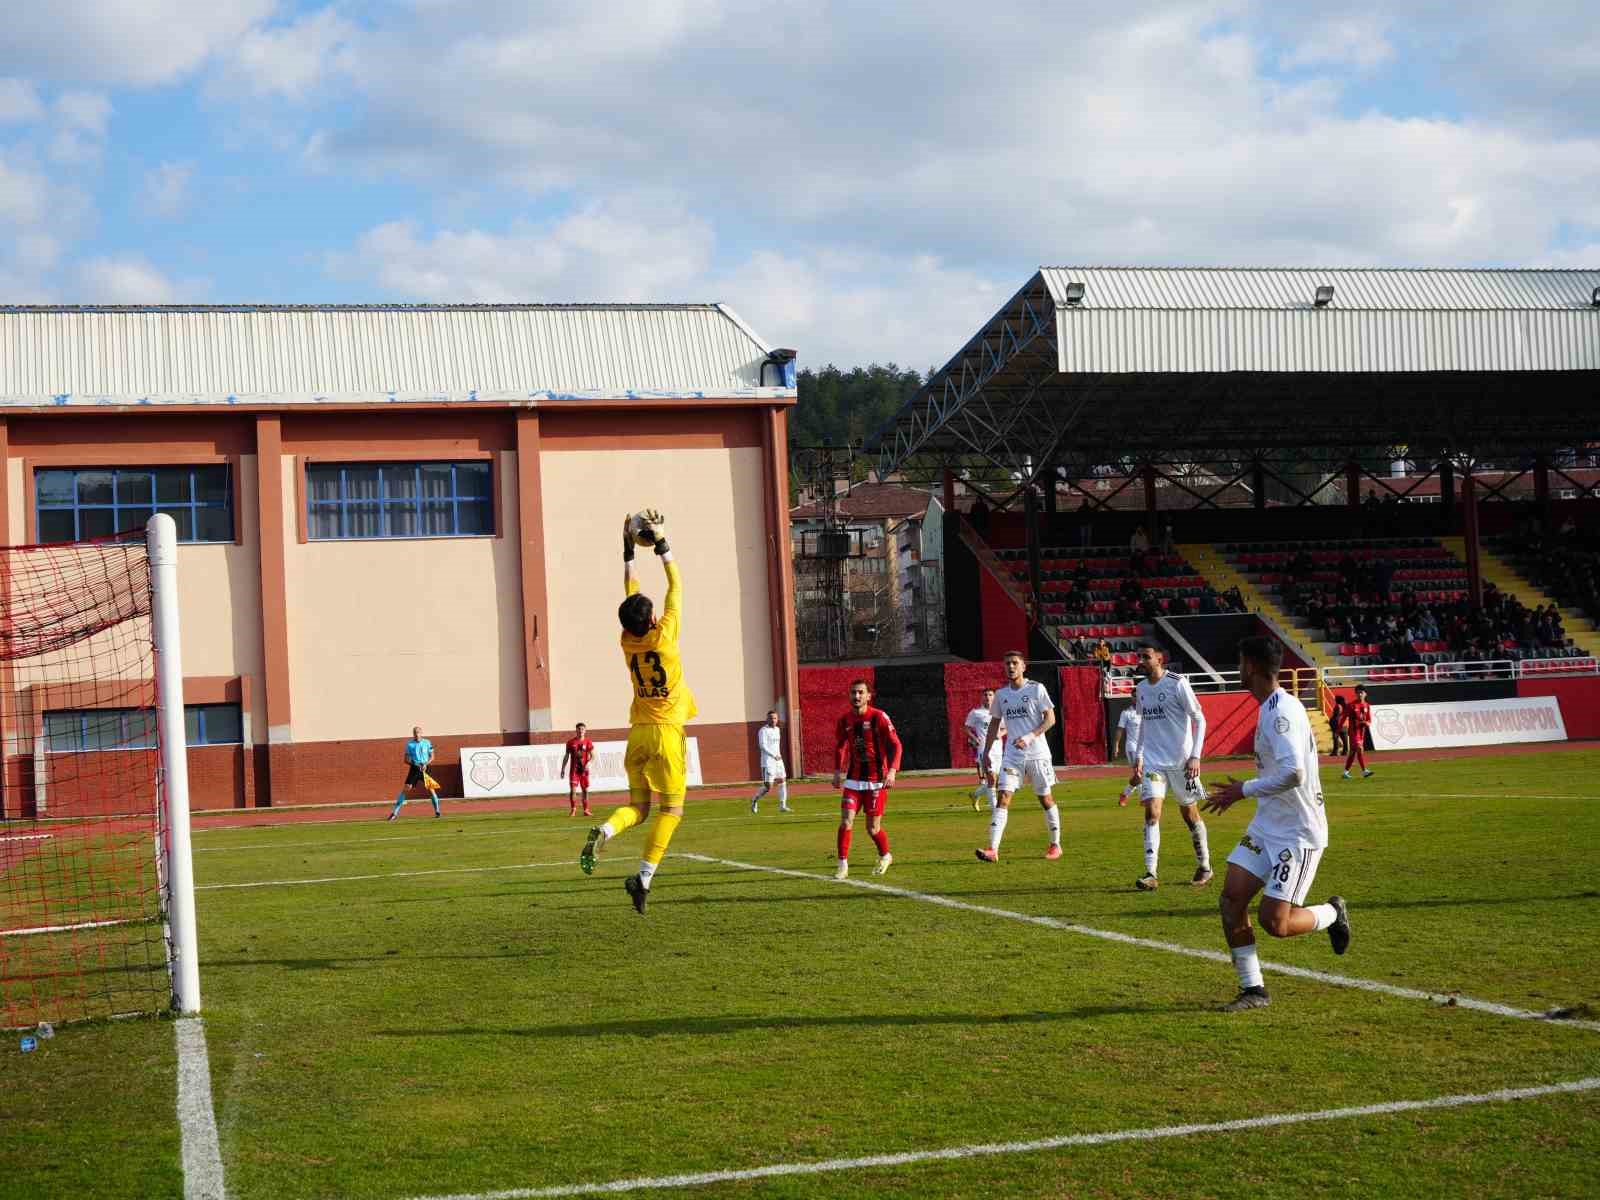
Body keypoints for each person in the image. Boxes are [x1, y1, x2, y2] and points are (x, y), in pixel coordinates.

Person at [1203, 636, 1350, 1011]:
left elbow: (1294, 773)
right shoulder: (1270, 707)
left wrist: (1242, 790)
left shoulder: (1282, 713)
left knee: (1276, 924)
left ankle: (1332, 912)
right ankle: (1253, 990)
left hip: (1296, 833)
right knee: (1231, 900)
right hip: (1267, 826)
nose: (1238, 669)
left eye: (1239, 662)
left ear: (1250, 666)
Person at [579, 512, 696, 915]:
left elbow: (631, 594)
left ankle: (607, 829)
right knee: (672, 811)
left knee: (638, 808)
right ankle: (643, 876)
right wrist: (662, 543)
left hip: (638, 734)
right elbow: (676, 585)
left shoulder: (626, 642)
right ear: (651, 619)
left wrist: (629, 548)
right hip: (665, 734)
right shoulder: (665, 635)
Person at [1129, 645, 1212, 889]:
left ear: (1159, 659)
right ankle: (1151, 872)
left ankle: (1205, 865)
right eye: (1139, 657)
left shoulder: (1177, 683)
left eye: (1146, 657)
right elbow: (1143, 723)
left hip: (1181, 762)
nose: (1141, 661)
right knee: (1152, 811)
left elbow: (1199, 718)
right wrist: (1140, 756)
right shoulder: (1142, 688)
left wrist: (1195, 756)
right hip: (1154, 762)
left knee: (1190, 814)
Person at [976, 651, 1062, 862]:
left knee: (1045, 798)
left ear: (1024, 666)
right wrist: (986, 752)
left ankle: (1055, 844)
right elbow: (995, 724)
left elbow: (1051, 718)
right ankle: (993, 849)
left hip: (1038, 754)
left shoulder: (1036, 689)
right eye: (1007, 664)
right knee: (1003, 797)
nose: (1010, 667)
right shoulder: (1001, 695)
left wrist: (1030, 736)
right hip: (1012, 755)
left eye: (1015, 663)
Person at [833, 679, 901, 880]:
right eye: (853, 692)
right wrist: (837, 771)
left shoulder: (878, 717)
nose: (857, 696)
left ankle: (885, 855)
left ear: (869, 696)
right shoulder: (845, 720)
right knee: (846, 821)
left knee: (872, 828)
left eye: (861, 692)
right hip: (853, 780)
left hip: (876, 781)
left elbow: (896, 745)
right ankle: (842, 864)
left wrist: (892, 771)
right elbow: (840, 746)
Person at [388, 724, 442, 820]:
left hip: (426, 768)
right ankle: (394, 813)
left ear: (421, 733)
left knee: (431, 789)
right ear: (413, 734)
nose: (416, 734)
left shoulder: (427, 742)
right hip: (415, 769)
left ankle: (437, 811)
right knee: (406, 788)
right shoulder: (410, 744)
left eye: (418, 732)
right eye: (415, 733)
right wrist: (415, 764)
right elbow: (406, 759)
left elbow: (432, 756)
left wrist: (426, 764)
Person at [964, 687, 1004, 811]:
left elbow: (1006, 727)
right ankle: (995, 809)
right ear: (982, 697)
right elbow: (966, 728)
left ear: (994, 697)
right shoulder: (976, 713)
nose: (987, 697)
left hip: (998, 749)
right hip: (984, 749)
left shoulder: (999, 712)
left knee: (996, 781)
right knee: (991, 777)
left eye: (990, 694)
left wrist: (1000, 734)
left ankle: (975, 795)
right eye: (985, 694)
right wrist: (975, 739)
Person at [750, 710, 791, 814]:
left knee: (782, 781)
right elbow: (762, 746)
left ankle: (783, 805)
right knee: (768, 786)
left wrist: (778, 756)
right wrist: (773, 755)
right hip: (768, 762)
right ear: (767, 719)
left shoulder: (777, 729)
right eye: (771, 718)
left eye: (775, 718)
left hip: (778, 761)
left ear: (777, 719)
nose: (773, 720)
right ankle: (754, 800)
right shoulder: (763, 730)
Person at [560, 723, 595, 818]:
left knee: (585, 791)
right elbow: (566, 756)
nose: (581, 730)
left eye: (582, 729)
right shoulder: (570, 742)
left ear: (585, 730)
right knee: (573, 790)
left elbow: (593, 756)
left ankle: (586, 810)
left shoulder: (588, 742)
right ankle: (573, 810)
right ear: (576, 730)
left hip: (584, 771)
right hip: (574, 771)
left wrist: (588, 763)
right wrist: (563, 768)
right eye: (579, 729)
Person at [1113, 703, 1141, 807]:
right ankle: (1144, 798)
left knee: (1140, 775)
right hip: (1132, 747)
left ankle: (1124, 795)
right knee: (1139, 773)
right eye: (1134, 695)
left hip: (1145, 748)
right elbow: (1120, 729)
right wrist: (1116, 745)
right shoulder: (1126, 713)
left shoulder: (1147, 709)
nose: (1136, 697)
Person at [1343, 683, 1374, 779]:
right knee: (1360, 749)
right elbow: (1343, 717)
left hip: (1361, 732)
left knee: (1352, 752)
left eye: (1361, 693)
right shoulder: (1351, 705)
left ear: (1365, 694)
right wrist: (1339, 727)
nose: (1359, 695)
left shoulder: (1367, 706)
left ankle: (1345, 772)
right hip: (1353, 732)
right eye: (1358, 693)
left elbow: (1369, 720)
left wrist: (1367, 723)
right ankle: (1364, 771)